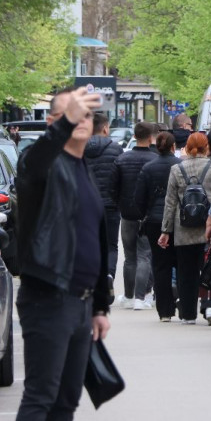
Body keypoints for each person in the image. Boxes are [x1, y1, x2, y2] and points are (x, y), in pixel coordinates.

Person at [13, 86, 111, 421]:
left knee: (67, 399)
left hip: (81, 303)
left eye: (87, 115)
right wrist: (68, 116)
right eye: (72, 114)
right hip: (47, 297)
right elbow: (33, 161)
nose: (81, 120)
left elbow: (94, 237)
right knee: (41, 395)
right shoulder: (41, 166)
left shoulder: (82, 167)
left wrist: (101, 305)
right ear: (54, 121)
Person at [159, 132, 211, 324]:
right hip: (209, 227)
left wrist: (165, 231)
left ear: (186, 148)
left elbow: (170, 203)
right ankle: (210, 307)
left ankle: (188, 314)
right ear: (207, 148)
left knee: (185, 272)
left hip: (184, 228)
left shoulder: (176, 169)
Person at [111, 121, 159, 310]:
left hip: (127, 213)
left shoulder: (122, 159)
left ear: (134, 137)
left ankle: (129, 295)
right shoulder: (155, 159)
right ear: (150, 138)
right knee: (145, 255)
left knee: (130, 256)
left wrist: (120, 205)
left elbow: (112, 187)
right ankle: (141, 297)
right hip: (148, 214)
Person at [134, 132, 180, 321]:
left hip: (154, 221)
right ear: (173, 146)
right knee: (181, 263)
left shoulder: (148, 168)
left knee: (160, 265)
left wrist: (145, 213)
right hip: (178, 221)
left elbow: (139, 198)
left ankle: (165, 311)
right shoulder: (179, 165)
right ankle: (184, 307)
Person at [84, 112, 123, 300]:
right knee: (111, 246)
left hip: (85, 205)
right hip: (110, 205)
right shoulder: (116, 149)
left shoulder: (79, 149)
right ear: (105, 128)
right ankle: (108, 275)